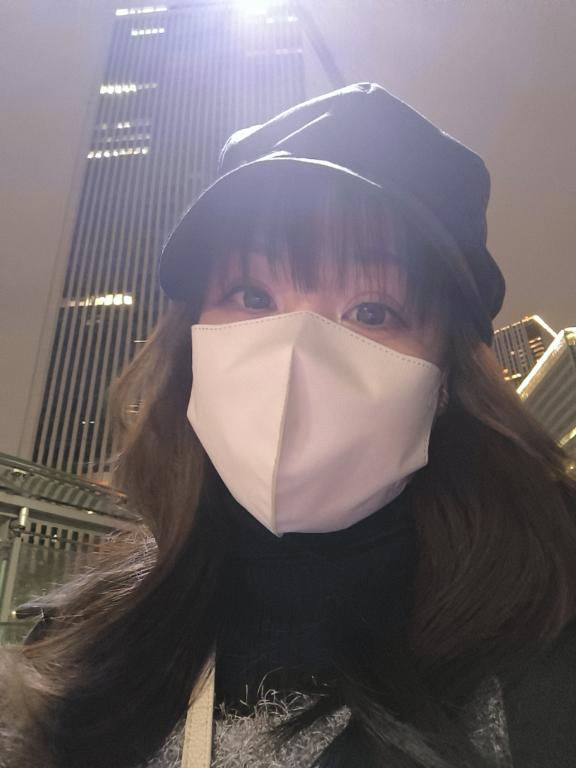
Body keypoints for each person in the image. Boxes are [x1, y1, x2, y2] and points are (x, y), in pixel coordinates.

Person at [2, 82, 576, 768]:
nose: (296, 354)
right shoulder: (84, 638)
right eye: (252, 295)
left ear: (447, 379)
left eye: (373, 311)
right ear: (190, 344)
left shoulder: (545, 645)